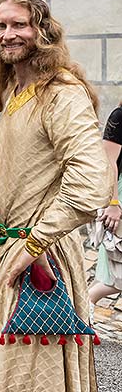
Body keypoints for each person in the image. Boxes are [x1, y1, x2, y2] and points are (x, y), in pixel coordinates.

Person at [0, 0, 108, 392]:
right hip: (11, 248)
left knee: (23, 378)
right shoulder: (13, 92)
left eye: (19, 25)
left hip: (41, 258)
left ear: (42, 31)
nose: (8, 34)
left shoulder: (61, 92)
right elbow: (30, 164)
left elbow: (91, 181)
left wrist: (34, 245)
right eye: (1, 26)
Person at [87, 100, 122, 305]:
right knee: (117, 276)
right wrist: (113, 203)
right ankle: (84, 307)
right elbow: (109, 163)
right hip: (118, 194)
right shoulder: (119, 116)